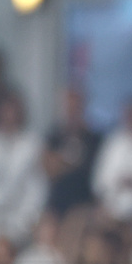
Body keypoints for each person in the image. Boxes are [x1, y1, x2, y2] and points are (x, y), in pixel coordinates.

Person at [0, 90, 48, 247]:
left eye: (13, 111)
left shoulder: (32, 144)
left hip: (21, 223)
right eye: (6, 110)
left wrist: (26, 222)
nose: (9, 115)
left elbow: (37, 188)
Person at [43, 88, 102, 217]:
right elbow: (50, 169)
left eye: (76, 107)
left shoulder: (94, 139)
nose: (72, 111)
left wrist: (63, 163)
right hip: (57, 202)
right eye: (69, 107)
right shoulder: (54, 136)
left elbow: (95, 171)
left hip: (84, 201)